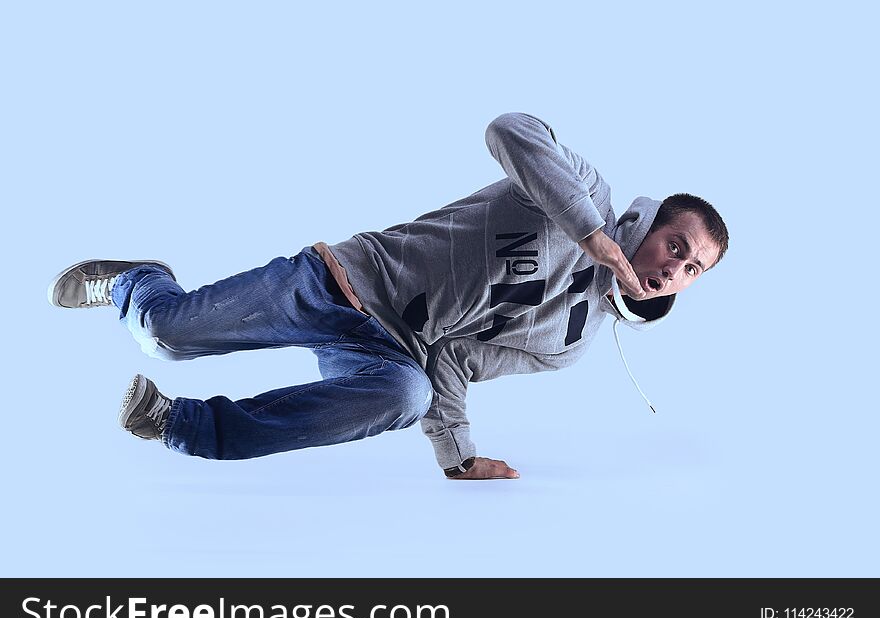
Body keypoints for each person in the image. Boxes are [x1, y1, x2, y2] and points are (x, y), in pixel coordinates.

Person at [47, 112, 729, 480]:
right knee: (164, 334)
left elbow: (455, 366)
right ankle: (138, 280)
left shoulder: (568, 344)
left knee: (410, 395)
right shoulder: (582, 194)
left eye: (693, 269)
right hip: (339, 282)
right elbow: (510, 131)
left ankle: (180, 426)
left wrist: (457, 456)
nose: (676, 269)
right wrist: (591, 236)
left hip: (387, 355)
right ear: (649, 221)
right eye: (677, 245)